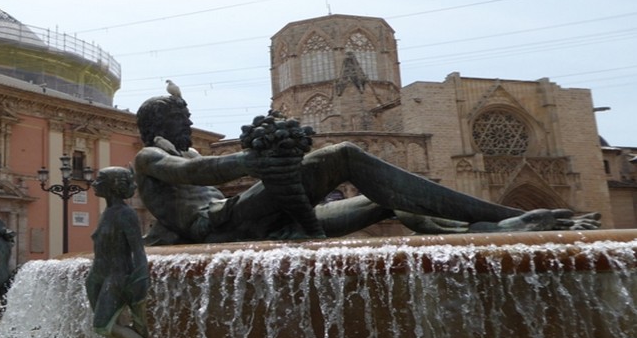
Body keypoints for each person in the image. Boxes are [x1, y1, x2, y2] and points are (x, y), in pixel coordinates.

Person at [133, 95, 601, 245]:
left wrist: (263, 168)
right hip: (221, 229)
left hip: (248, 221)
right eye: (181, 119)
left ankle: (480, 228)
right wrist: (254, 161)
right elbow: (195, 176)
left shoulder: (189, 152)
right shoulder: (151, 158)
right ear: (156, 125)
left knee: (382, 200)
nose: (191, 124)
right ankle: (501, 216)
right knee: (342, 156)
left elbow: (205, 169)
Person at [86, 167, 165, 338]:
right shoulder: (108, 213)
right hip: (98, 276)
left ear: (113, 185)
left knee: (103, 325)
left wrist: (140, 279)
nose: (94, 183)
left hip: (117, 275)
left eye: (100, 179)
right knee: (112, 333)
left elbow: (138, 250)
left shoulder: (126, 213)